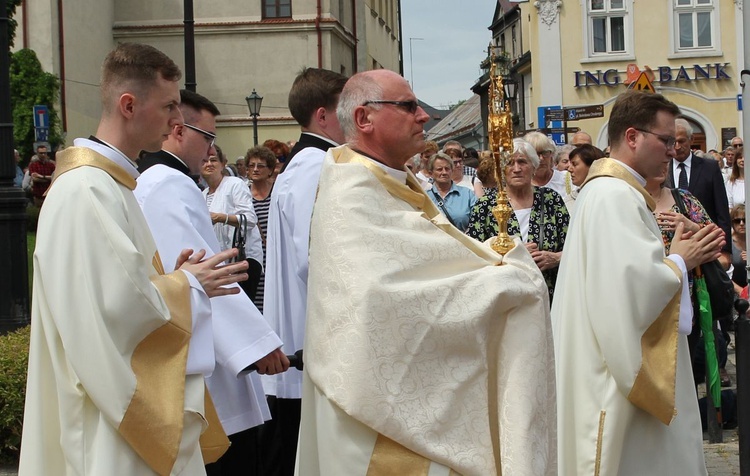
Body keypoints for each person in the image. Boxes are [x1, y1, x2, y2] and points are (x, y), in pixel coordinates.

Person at [297, 69, 556, 475]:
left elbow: (432, 258)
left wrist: (490, 260)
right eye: (408, 106)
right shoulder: (351, 191)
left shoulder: (388, 179)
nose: (423, 116)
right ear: (364, 119)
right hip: (378, 424)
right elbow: (379, 298)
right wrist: (501, 282)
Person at [19, 42, 252, 476]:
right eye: (168, 106)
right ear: (128, 105)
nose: (176, 120)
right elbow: (113, 312)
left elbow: (119, 289)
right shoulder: (87, 191)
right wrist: (189, 285)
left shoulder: (112, 185)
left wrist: (179, 277)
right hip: (104, 422)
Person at [552, 90, 724, 475]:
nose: (672, 150)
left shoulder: (608, 192)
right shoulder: (616, 198)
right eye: (665, 140)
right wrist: (681, 259)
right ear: (632, 137)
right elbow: (631, 294)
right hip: (614, 383)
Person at [135, 88, 287, 476]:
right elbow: (206, 276)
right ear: (179, 130)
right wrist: (255, 347)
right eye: (208, 137)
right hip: (207, 355)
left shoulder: (160, 181)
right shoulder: (168, 184)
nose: (212, 150)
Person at [262, 67, 348, 476]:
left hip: (300, 330)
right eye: (346, 109)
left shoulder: (304, 163)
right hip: (310, 334)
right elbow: (313, 257)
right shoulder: (318, 165)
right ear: (323, 115)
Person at [467, 138, 569, 303]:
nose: (516, 169)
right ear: (501, 170)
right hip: (506, 297)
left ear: (534, 167)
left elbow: (573, 245)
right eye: (509, 163)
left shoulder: (551, 200)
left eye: (522, 162)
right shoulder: (486, 205)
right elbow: (474, 253)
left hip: (549, 294)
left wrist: (556, 257)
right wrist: (513, 254)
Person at [200, 145, 264, 300]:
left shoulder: (234, 184)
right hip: (222, 264)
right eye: (205, 161)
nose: (209, 164)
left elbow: (249, 219)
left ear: (223, 164)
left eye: (214, 160)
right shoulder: (202, 194)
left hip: (243, 259)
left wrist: (221, 217)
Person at [246, 145, 277, 313]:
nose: (255, 169)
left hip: (274, 258)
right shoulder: (242, 195)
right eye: (251, 165)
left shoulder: (277, 193)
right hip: (253, 260)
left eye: (260, 166)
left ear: (270, 169)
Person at [425, 152, 476, 231]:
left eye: (447, 169)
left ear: (452, 170)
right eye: (439, 169)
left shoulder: (467, 194)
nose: (444, 172)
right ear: (431, 173)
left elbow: (477, 222)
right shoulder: (425, 197)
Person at [563, 144, 604, 213]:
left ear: (592, 166)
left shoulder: (608, 197)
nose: (569, 169)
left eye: (574, 164)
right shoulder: (568, 201)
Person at [525, 131, 566, 196]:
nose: (541, 158)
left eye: (545, 153)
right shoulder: (522, 185)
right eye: (536, 153)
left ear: (551, 154)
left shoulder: (566, 179)